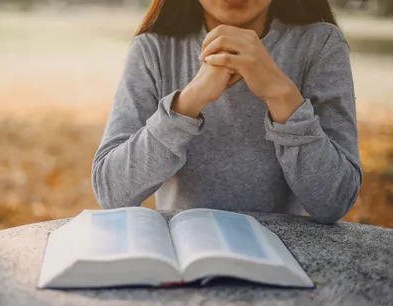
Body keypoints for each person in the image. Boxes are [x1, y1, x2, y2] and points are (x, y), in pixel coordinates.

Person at [92, 0, 362, 224]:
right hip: (184, 259)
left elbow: (335, 201)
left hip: (286, 262)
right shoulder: (153, 50)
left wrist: (281, 93)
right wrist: (188, 102)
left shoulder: (320, 44)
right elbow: (113, 192)